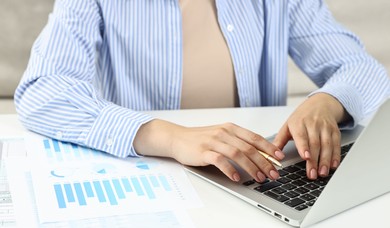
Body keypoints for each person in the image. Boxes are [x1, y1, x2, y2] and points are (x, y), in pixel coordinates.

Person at [14, 0, 390, 183]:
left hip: (258, 177)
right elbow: (43, 91)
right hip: (150, 174)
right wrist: (168, 136)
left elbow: (363, 69)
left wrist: (327, 103)